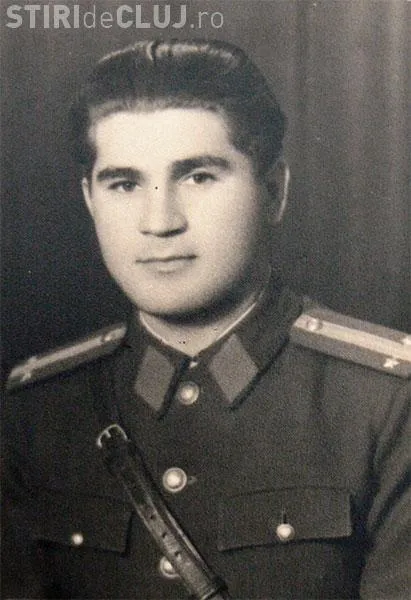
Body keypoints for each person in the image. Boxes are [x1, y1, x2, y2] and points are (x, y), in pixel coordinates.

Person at [2, 39, 410, 600]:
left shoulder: (386, 406)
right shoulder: (34, 411)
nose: (158, 221)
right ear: (91, 201)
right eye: (125, 184)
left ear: (274, 191)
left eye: (197, 176)